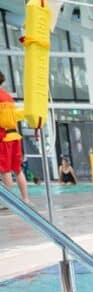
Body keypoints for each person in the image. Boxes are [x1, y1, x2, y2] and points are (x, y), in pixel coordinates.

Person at [0, 72, 29, 202]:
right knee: (17, 169)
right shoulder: (8, 97)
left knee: (5, 170)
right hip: (14, 135)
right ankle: (25, 199)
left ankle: (9, 202)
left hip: (4, 137)